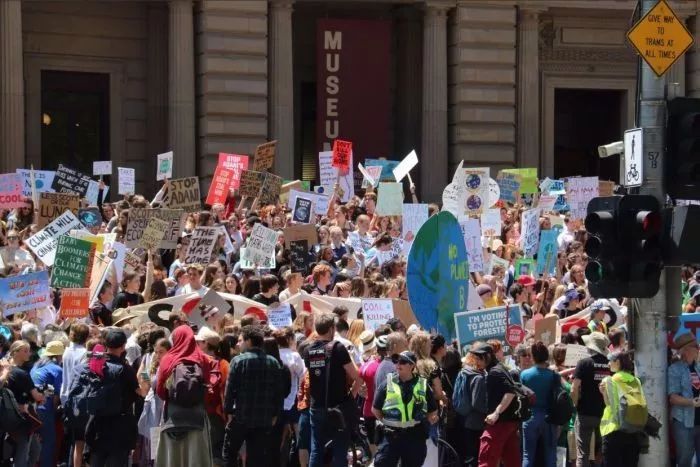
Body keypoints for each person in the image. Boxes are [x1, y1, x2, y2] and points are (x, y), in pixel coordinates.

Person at [303, 312, 362, 467]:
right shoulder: (338, 348)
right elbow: (357, 376)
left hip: (317, 407)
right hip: (338, 406)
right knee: (340, 449)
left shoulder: (308, 351)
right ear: (331, 329)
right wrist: (352, 396)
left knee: (317, 449)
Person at [223, 325, 286, 466]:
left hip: (240, 416)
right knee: (256, 457)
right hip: (263, 419)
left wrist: (227, 412)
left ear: (249, 341)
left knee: (229, 453)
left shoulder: (238, 361)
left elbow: (230, 389)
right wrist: (276, 414)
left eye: (241, 340)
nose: (239, 344)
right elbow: (278, 392)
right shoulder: (273, 362)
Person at [155, 325, 214, 466]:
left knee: (172, 457)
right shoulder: (202, 359)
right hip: (197, 417)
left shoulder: (168, 359)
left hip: (172, 417)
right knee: (196, 456)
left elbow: (160, 391)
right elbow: (207, 385)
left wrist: (174, 397)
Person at [371, 350, 439, 467]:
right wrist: (389, 422)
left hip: (414, 435)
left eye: (402, 362)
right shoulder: (387, 384)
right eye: (396, 361)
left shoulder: (422, 385)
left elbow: (432, 410)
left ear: (412, 365)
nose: (398, 365)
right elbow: (375, 409)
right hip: (391, 436)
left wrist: (432, 417)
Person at [85, 329, 139, 466]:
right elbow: (139, 392)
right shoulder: (126, 370)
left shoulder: (94, 365)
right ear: (123, 346)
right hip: (120, 428)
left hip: (97, 425)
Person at [571, 332, 611, 467]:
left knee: (583, 453)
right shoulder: (611, 364)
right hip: (605, 414)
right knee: (603, 451)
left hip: (585, 413)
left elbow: (574, 388)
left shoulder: (583, 363)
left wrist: (575, 404)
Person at [478, 340, 520, 467]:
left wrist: (496, 413)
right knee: (512, 460)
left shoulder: (494, 372)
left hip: (500, 424)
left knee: (486, 459)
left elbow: (511, 392)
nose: (477, 361)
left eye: (479, 358)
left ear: (487, 356)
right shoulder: (498, 369)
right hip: (508, 423)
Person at [599, 350, 644, 467]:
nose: (608, 364)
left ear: (617, 362)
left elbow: (609, 403)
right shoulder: (636, 380)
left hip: (613, 430)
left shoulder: (610, 380)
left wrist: (603, 392)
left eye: (610, 361)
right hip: (633, 430)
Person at [5, 340, 44, 467]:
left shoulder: (5, 369)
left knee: (34, 450)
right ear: (15, 353)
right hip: (21, 417)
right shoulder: (21, 374)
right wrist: (43, 395)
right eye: (25, 351)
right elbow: (37, 396)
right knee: (23, 453)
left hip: (7, 415)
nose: (29, 353)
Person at [520, 341, 559, 467]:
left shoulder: (525, 374)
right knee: (550, 453)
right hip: (549, 418)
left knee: (527, 455)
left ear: (533, 356)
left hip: (530, 417)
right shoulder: (553, 375)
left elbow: (521, 398)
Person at [30, 340, 64, 467]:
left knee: (35, 442)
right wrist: (54, 411)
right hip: (45, 408)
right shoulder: (57, 369)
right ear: (59, 356)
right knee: (49, 441)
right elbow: (56, 396)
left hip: (32, 408)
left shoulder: (36, 366)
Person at [668, 334, 700, 467]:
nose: (698, 349)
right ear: (686, 350)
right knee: (685, 460)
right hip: (684, 423)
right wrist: (692, 402)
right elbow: (672, 398)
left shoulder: (698, 367)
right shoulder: (674, 369)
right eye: (696, 346)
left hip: (698, 422)